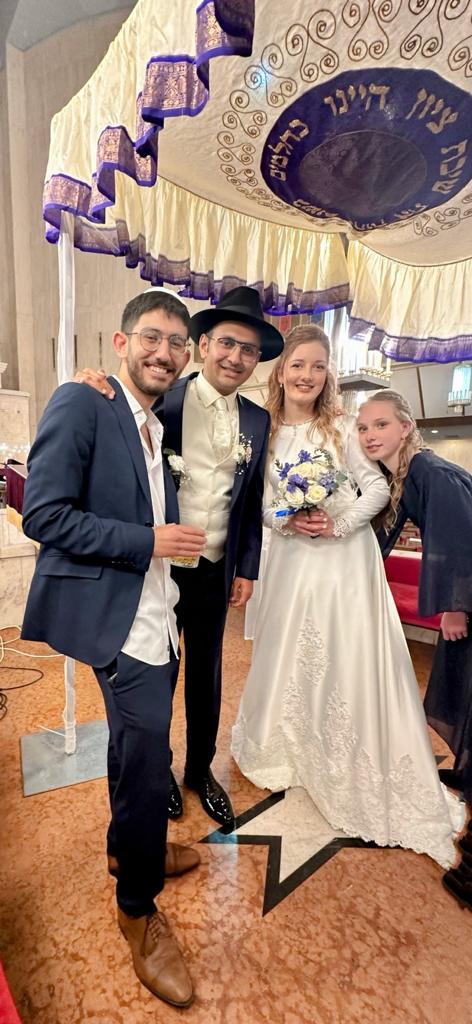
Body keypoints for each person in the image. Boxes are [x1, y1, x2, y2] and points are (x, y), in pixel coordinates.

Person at [21, 290, 207, 1008]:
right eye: (151, 337)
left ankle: (127, 847)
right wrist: (148, 540)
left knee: (136, 752)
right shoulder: (83, 401)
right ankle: (137, 907)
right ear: (121, 342)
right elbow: (44, 514)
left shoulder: (156, 422)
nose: (165, 352)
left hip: (158, 612)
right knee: (146, 761)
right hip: (117, 620)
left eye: (177, 343)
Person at [231, 325, 464, 867]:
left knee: (345, 655)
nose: (307, 375)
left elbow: (377, 487)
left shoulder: (340, 425)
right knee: (291, 652)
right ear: (280, 372)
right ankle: (287, 748)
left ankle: (351, 756)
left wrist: (337, 524)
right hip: (291, 563)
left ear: (328, 373)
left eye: (318, 365)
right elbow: (258, 504)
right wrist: (289, 520)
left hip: (344, 563)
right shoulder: (264, 431)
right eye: (298, 365)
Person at [77, 286, 283, 828]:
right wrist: (91, 384)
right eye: (227, 344)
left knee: (208, 676)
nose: (236, 357)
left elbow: (251, 500)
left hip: (216, 570)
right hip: (158, 568)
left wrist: (246, 568)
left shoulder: (258, 420)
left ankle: (199, 770)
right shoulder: (164, 396)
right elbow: (115, 408)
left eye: (249, 350)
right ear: (203, 345)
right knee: (158, 677)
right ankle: (161, 769)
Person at [357, 389, 472, 907]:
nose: (370, 435)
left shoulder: (431, 471)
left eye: (381, 424)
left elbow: (460, 539)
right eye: (364, 428)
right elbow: (381, 537)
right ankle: (469, 773)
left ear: (406, 427)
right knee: (465, 693)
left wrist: (455, 605)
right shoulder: (404, 478)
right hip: (471, 599)